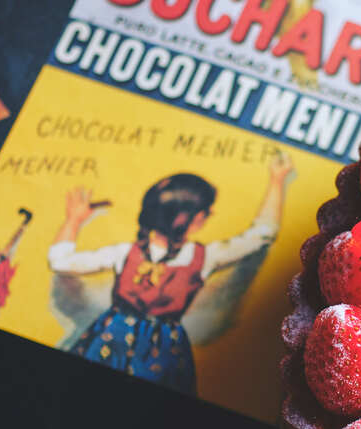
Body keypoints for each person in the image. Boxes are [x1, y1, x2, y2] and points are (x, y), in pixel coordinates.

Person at [48, 153, 293, 394]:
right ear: (195, 218)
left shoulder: (133, 252)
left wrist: (74, 221)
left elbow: (60, 260)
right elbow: (262, 234)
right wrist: (277, 180)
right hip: (138, 348)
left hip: (124, 342)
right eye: (206, 211)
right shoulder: (205, 256)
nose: (208, 215)